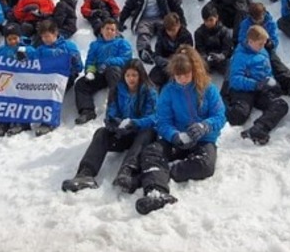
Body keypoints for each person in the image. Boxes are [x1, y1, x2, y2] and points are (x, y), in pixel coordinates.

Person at [135, 46, 226, 215]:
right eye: (179, 76)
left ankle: (162, 172)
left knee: (206, 165)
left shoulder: (208, 88)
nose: (183, 79)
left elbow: (220, 115)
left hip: (203, 140)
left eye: (186, 74)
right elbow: (163, 121)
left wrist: (205, 126)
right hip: (178, 139)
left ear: (193, 71)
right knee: (151, 152)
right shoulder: (168, 92)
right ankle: (156, 192)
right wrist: (174, 135)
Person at [62, 59, 157, 193]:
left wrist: (135, 123)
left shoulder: (149, 91)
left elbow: (153, 117)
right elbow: (111, 111)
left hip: (139, 135)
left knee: (148, 132)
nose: (131, 79)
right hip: (122, 133)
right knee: (101, 132)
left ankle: (127, 171)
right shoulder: (118, 89)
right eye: (128, 75)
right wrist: (113, 123)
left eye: (134, 75)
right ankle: (85, 173)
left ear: (141, 75)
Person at [226, 25, 289, 145]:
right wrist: (255, 84)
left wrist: (272, 82)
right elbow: (234, 79)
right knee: (238, 116)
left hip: (261, 89)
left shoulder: (262, 51)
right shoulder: (240, 56)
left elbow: (267, 70)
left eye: (264, 44)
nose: (262, 46)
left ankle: (259, 128)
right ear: (250, 41)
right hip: (244, 90)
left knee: (280, 105)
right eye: (260, 44)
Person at [236, 3, 290, 97]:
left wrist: (270, 43)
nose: (257, 21)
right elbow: (241, 38)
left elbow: (274, 38)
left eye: (259, 18)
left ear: (264, 14)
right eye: (254, 20)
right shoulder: (246, 24)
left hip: (266, 49)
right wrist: (250, 45)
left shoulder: (269, 22)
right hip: (250, 51)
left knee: (275, 63)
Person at [119, 0, 185, 64]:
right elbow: (128, 7)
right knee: (143, 33)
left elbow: (176, 4)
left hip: (161, 17)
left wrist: (182, 20)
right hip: (145, 19)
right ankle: (144, 51)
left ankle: (168, 52)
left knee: (165, 32)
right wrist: (121, 21)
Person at [74, 19, 133, 125]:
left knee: (113, 71)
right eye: (107, 29)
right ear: (102, 30)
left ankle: (115, 109)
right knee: (81, 83)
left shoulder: (122, 43)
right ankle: (87, 111)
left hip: (117, 72)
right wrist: (90, 72)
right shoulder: (95, 45)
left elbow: (126, 58)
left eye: (112, 29)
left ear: (116, 32)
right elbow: (90, 60)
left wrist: (109, 62)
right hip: (100, 73)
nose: (109, 31)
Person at [0, 23, 40, 138]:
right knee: (2, 91)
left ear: (20, 37)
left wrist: (25, 61)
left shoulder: (29, 50)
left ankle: (22, 122)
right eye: (9, 39)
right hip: (7, 80)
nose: (12, 41)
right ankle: (4, 122)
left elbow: (37, 67)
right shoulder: (0, 51)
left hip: (25, 81)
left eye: (15, 38)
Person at [149, 12, 194, 89]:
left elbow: (188, 56)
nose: (171, 33)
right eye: (168, 30)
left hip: (180, 66)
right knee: (152, 80)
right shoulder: (161, 34)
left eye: (173, 30)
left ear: (178, 25)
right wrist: (165, 63)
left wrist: (174, 63)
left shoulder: (186, 36)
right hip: (164, 65)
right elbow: (157, 54)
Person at [194, 4, 233, 76]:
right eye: (206, 20)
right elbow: (199, 49)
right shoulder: (198, 33)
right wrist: (206, 57)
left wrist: (221, 56)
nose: (208, 23)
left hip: (221, 60)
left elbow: (227, 49)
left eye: (211, 20)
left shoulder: (225, 31)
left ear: (217, 17)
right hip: (206, 60)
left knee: (232, 71)